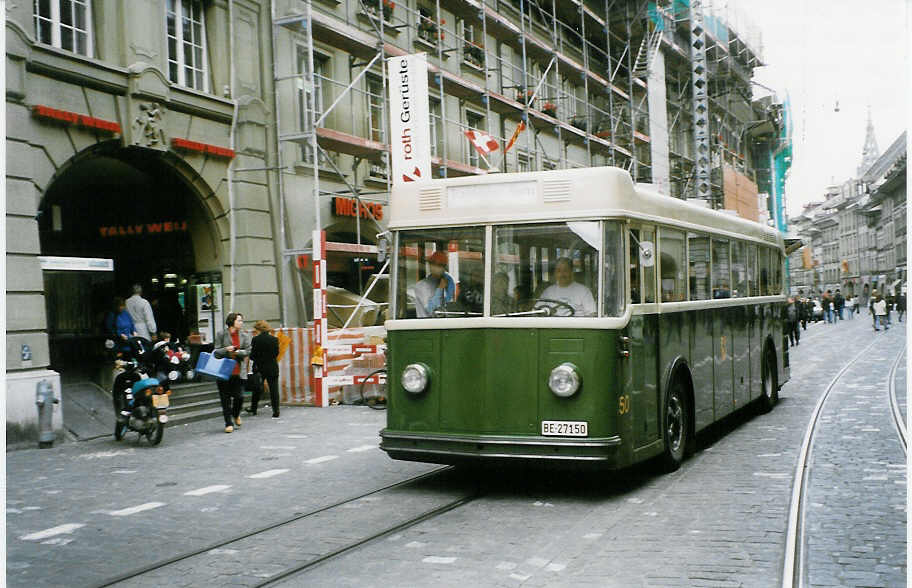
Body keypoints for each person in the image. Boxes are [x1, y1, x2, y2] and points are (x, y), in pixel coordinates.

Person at [214, 312, 251, 433]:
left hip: (238, 371)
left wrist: (237, 352)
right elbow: (216, 352)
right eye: (239, 320)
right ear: (232, 322)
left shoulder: (244, 336)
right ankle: (228, 423)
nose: (241, 323)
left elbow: (247, 351)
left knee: (239, 397)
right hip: (224, 371)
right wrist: (226, 349)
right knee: (225, 399)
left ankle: (235, 414)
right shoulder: (221, 334)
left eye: (241, 321)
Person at [249, 320, 280, 418]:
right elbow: (276, 353)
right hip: (272, 367)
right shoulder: (274, 339)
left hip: (260, 368)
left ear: (259, 329)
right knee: (274, 389)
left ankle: (253, 408)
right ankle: (276, 410)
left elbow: (252, 355)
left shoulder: (255, 340)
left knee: (257, 388)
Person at [412, 251, 455, 318]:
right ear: (430, 265)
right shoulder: (421, 286)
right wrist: (440, 289)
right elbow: (431, 309)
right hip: (426, 325)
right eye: (435, 264)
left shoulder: (446, 281)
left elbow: (449, 304)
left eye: (441, 265)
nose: (437, 268)